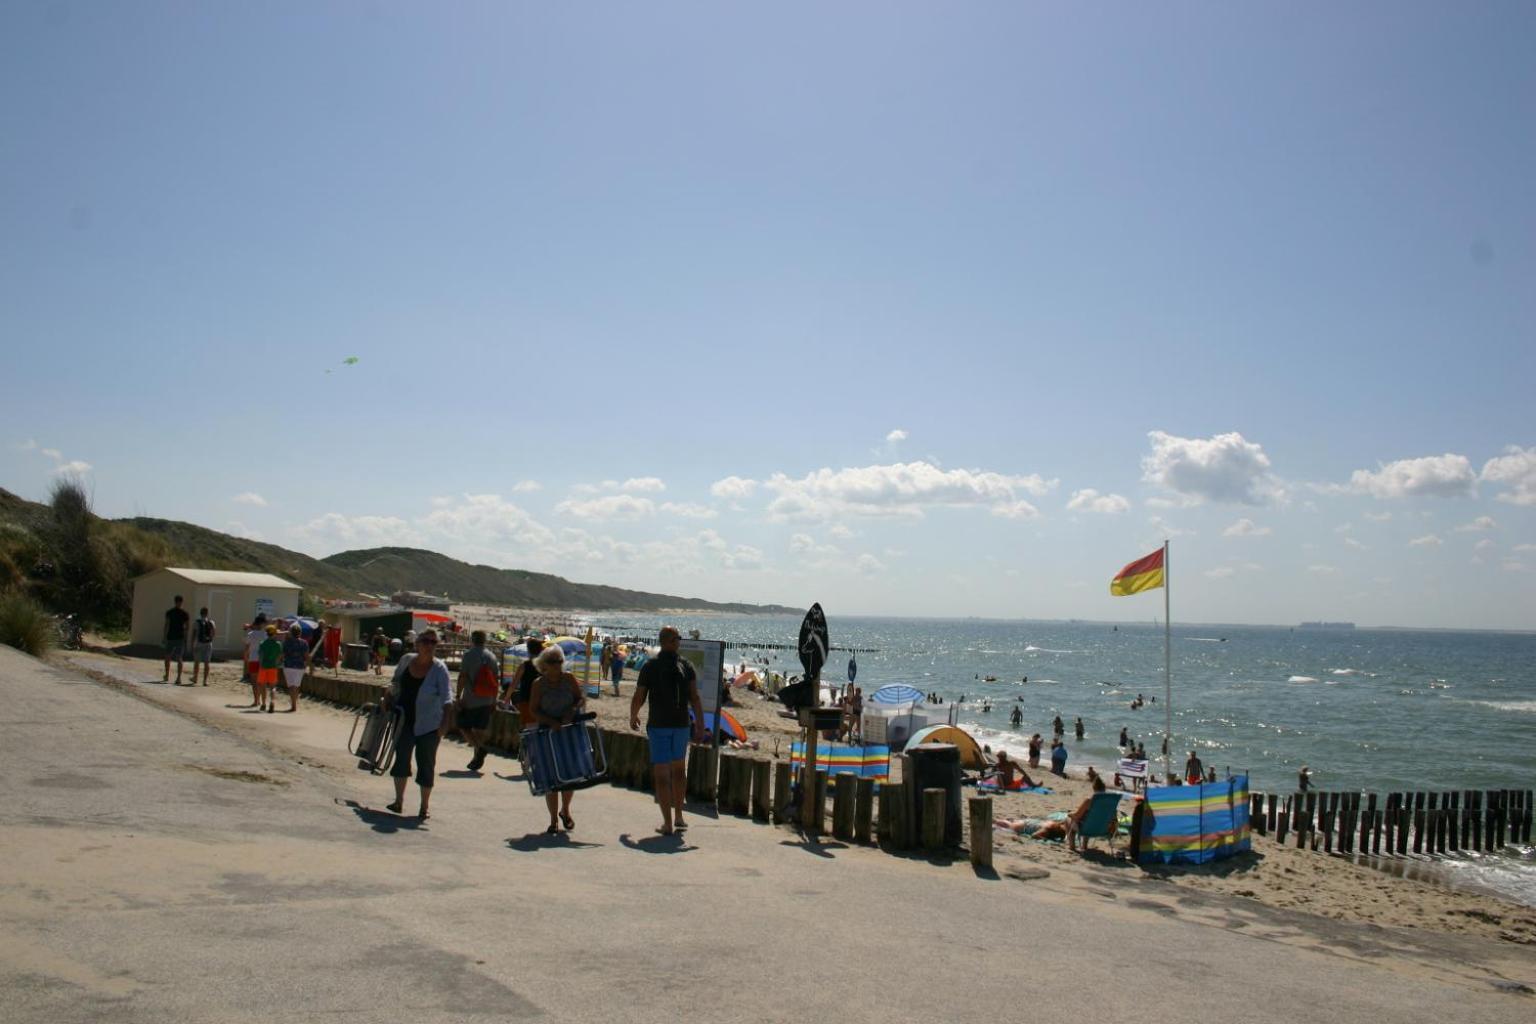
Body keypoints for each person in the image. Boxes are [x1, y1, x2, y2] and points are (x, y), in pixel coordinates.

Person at [630, 626, 705, 836]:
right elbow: (695, 698)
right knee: (679, 771)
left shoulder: (650, 666)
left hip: (659, 725)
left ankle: (668, 823)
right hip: (680, 725)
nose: (679, 641)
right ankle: (678, 816)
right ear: (668, 641)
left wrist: (633, 714)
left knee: (662, 774)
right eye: (677, 639)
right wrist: (699, 723)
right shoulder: (686, 665)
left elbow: (639, 696)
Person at [383, 630, 453, 820]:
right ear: (417, 644)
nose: (429, 645)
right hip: (403, 720)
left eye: (433, 642)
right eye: (426, 641)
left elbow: (447, 698)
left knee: (426, 764)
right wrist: (388, 696)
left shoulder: (439, 669)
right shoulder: (406, 660)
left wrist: (444, 724)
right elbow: (395, 682)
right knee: (401, 759)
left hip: (429, 724)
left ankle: (424, 806)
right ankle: (398, 801)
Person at [529, 645, 586, 833]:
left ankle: (565, 810)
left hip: (568, 732)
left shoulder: (569, 679)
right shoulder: (539, 684)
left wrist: (572, 710)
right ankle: (553, 819)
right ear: (545, 665)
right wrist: (549, 721)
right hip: (547, 733)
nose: (557, 666)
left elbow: (580, 698)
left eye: (560, 661)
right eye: (553, 662)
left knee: (570, 776)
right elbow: (533, 709)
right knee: (550, 778)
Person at [456, 630, 500, 772]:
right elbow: (496, 681)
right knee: (479, 731)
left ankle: (480, 750)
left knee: (463, 726)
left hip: (471, 698)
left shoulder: (468, 655)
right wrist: (494, 700)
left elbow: (462, 676)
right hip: (487, 699)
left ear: (472, 640)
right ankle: (476, 760)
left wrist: (458, 695)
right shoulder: (492, 656)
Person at [1067, 776, 1110, 852]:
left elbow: (1077, 815)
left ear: (1094, 788)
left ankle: (1072, 846)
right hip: (1102, 829)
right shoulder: (1110, 802)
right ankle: (1084, 846)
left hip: (1086, 828)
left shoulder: (1089, 801)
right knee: (1089, 819)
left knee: (1068, 820)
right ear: (1104, 789)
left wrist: (1070, 814)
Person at [280, 623, 309, 712]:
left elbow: (282, 655)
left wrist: (280, 661)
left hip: (289, 665)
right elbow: (306, 656)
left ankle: (293, 705)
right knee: (296, 686)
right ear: (300, 633)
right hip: (300, 666)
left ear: (291, 632)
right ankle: (294, 704)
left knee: (291, 686)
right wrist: (308, 664)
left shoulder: (286, 642)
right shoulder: (304, 643)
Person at [163, 595, 190, 684]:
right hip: (175, 637)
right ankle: (171, 676)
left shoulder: (171, 612)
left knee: (175, 657)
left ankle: (175, 677)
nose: (179, 603)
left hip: (176, 637)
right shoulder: (183, 613)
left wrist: (164, 637)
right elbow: (187, 627)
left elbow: (186, 627)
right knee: (170, 657)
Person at [256, 624, 283, 713]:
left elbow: (260, 657)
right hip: (273, 667)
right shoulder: (278, 644)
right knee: (273, 687)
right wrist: (276, 664)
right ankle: (272, 702)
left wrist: (261, 666)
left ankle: (263, 704)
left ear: (267, 633)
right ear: (274, 633)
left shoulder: (262, 643)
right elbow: (279, 657)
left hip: (263, 667)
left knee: (263, 686)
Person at [243, 614, 268, 706]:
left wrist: (245, 657)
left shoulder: (251, 634)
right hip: (263, 660)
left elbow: (246, 647)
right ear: (262, 624)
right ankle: (263, 701)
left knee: (254, 682)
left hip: (253, 659)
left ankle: (256, 700)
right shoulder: (266, 635)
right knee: (262, 682)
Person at [190, 606, 215, 686]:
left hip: (199, 643)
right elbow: (213, 633)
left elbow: (194, 634)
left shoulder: (196, 622)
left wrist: (192, 644)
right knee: (207, 663)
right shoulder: (211, 622)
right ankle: (205, 681)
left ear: (200, 613)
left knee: (197, 662)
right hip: (208, 644)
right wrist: (210, 639)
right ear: (207, 613)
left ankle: (195, 678)